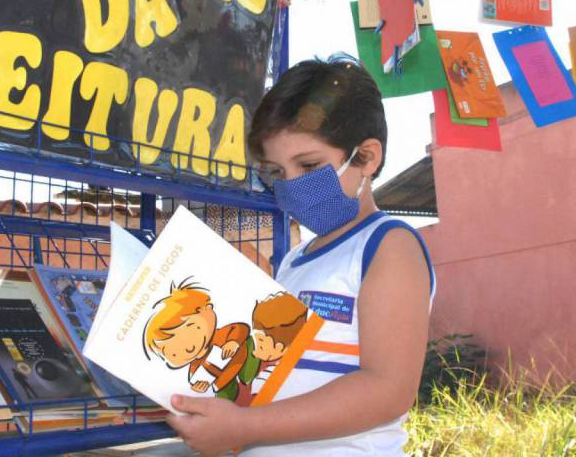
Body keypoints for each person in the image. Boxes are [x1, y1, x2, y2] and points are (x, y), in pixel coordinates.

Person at [167, 58, 436, 455]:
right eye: (276, 172)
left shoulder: (388, 246)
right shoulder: (294, 260)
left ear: (366, 157)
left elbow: (389, 390)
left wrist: (244, 426)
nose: (292, 186)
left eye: (309, 165)